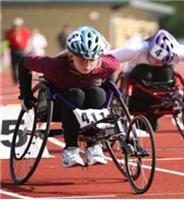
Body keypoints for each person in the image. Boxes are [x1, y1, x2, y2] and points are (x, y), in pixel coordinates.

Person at [18, 26, 119, 167]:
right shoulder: (54, 66)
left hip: (91, 107)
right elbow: (23, 63)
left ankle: (94, 146)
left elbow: (111, 73)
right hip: (58, 106)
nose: (87, 65)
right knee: (75, 93)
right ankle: (71, 148)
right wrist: (26, 95)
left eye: (92, 60)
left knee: (98, 92)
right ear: (71, 56)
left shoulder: (108, 65)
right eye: (82, 60)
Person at [108, 29, 184, 131]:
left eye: (161, 61)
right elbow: (108, 59)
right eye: (154, 59)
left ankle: (153, 114)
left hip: (162, 86)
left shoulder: (178, 51)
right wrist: (110, 84)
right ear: (150, 50)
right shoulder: (137, 49)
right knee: (144, 70)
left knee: (166, 71)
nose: (157, 63)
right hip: (138, 84)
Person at [5, 17, 31, 84]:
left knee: (23, 66)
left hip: (22, 51)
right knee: (14, 66)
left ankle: (23, 79)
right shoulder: (10, 33)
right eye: (15, 26)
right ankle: (15, 80)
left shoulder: (25, 31)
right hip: (13, 50)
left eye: (18, 26)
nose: (17, 27)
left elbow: (26, 41)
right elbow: (9, 40)